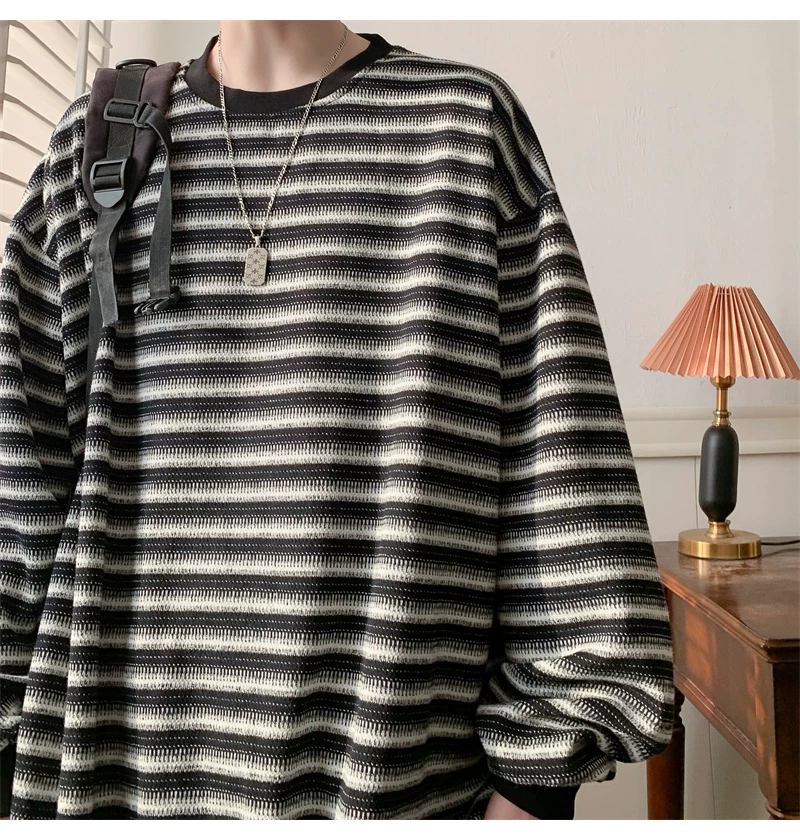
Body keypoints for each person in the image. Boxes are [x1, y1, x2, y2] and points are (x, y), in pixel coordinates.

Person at [0, 20, 675, 820]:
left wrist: (535, 788)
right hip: (111, 779)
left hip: (394, 786)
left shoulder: (462, 127)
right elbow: (17, 482)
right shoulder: (98, 142)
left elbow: (564, 471)